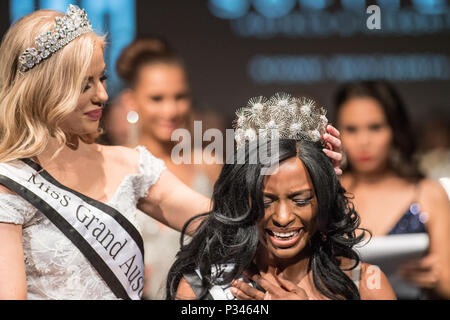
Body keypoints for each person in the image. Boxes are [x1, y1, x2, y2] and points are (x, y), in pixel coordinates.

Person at [0, 6, 343, 300]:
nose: (103, 96)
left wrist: (310, 176)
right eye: (84, 84)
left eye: (101, 79)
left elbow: (229, 227)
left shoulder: (129, 165)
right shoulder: (9, 183)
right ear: (46, 88)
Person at [167, 93, 396, 300]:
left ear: (323, 200)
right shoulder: (202, 288)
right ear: (244, 200)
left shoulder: (366, 285)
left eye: (300, 200)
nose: (283, 217)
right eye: (266, 201)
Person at [333, 80, 450, 299]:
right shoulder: (329, 191)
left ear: (394, 130)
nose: (364, 141)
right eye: (351, 129)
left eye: (375, 127)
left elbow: (447, 283)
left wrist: (435, 279)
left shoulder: (427, 193)